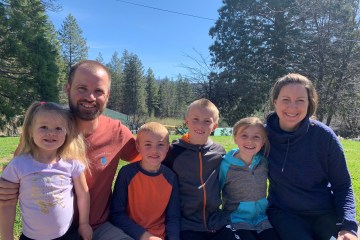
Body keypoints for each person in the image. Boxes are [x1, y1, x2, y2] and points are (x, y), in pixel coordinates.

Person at [0, 60, 140, 240]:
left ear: (108, 95)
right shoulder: (44, 129)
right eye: (82, 88)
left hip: (98, 227)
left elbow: (150, 159)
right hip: (46, 234)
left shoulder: (118, 132)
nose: (90, 97)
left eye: (98, 91)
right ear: (68, 88)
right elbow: (12, 182)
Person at [265, 73, 358, 240]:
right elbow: (239, 165)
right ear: (275, 102)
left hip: (324, 212)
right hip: (284, 213)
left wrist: (349, 226)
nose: (292, 107)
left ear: (309, 104)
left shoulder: (324, 136)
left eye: (300, 100)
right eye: (286, 99)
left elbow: (342, 184)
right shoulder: (262, 136)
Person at [0, 102, 92, 240]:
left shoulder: (72, 163)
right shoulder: (18, 164)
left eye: (58, 128)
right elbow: (7, 204)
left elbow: (83, 195)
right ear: (30, 131)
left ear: (67, 132)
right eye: (43, 127)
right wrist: (7, 237)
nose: (51, 132)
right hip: (31, 237)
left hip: (68, 235)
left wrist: (84, 224)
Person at [162, 98, 237, 240]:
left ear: (214, 126)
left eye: (207, 121)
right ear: (186, 121)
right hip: (186, 224)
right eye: (195, 119)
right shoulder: (173, 152)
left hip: (216, 221)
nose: (200, 125)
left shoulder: (219, 151)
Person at [110, 122, 180, 240]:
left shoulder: (171, 177)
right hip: (129, 234)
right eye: (148, 144)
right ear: (138, 147)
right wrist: (145, 236)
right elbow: (116, 214)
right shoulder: (126, 173)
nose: (154, 150)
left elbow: (173, 217)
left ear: (167, 147)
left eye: (160, 145)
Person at [219, 117, 279, 240]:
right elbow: (214, 191)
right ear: (235, 138)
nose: (250, 141)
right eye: (244, 136)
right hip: (236, 219)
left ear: (263, 142)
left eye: (256, 137)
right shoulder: (225, 165)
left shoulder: (263, 162)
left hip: (262, 219)